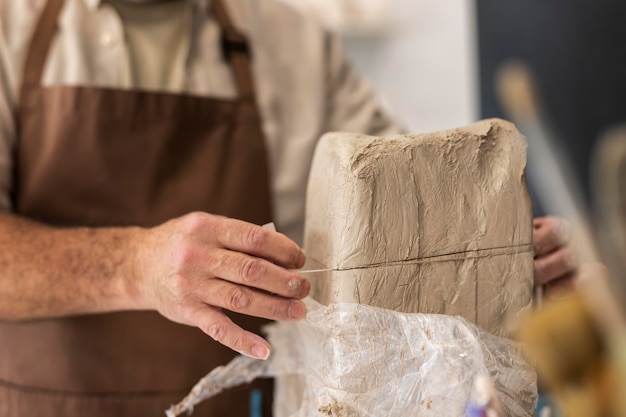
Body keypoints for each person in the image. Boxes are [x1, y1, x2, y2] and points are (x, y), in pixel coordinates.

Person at [0, 0, 582, 416]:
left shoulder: (289, 40)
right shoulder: (11, 24)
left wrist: (506, 253)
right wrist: (134, 265)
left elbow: (411, 206)